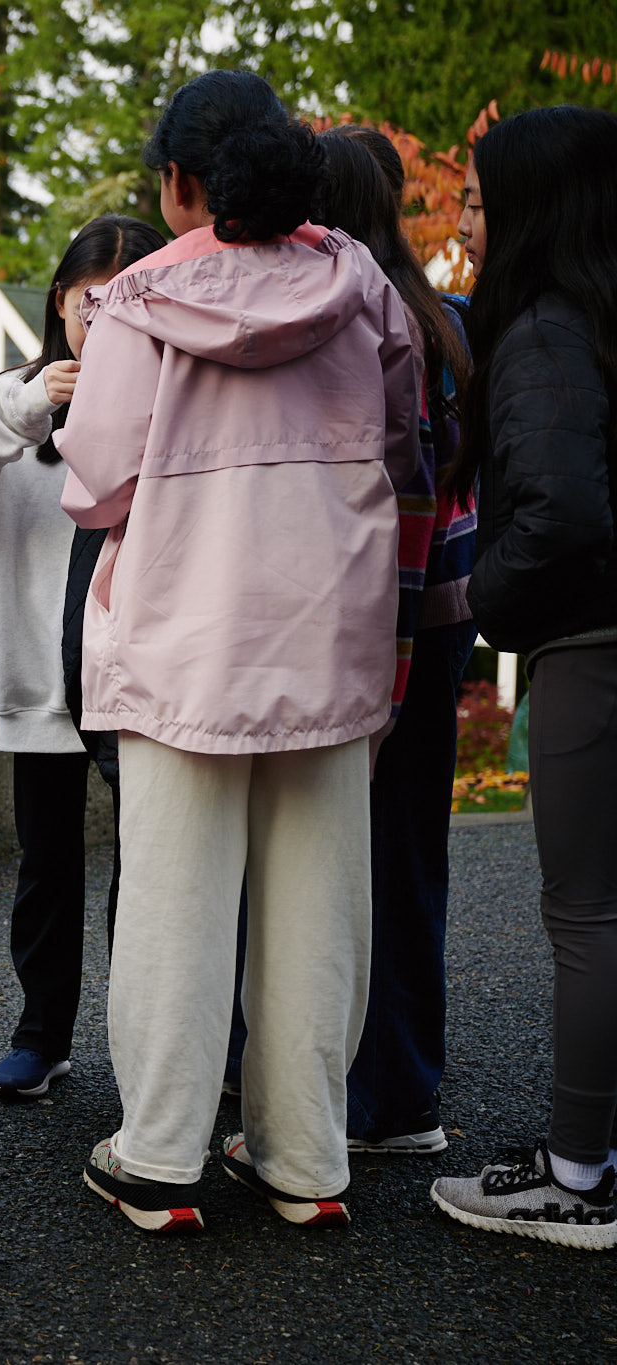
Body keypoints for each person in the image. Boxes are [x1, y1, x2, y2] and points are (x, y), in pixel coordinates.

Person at [57, 70, 417, 1234]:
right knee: (321, 903)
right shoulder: (356, 281)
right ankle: (304, 1159)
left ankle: (157, 1158)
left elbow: (95, 479)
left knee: (175, 897)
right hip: (328, 624)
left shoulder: (137, 302)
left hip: (182, 635)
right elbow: (404, 434)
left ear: (179, 180)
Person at [428, 105, 617, 1250]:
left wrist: (478, 598)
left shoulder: (542, 333)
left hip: (589, 647)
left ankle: (576, 1175)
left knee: (585, 912)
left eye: (480, 199)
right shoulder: (596, 320)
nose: (465, 220)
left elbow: (558, 512)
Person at [0, 214, 163, 1100]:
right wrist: (28, 405)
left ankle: (150, 1045)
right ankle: (41, 1032)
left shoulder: (175, 392)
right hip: (40, 687)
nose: (99, 318)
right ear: (58, 301)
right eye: (84, 299)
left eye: (121, 298)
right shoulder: (12, 405)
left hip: (139, 684)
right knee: (47, 869)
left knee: (151, 872)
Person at [310, 125, 478, 1157]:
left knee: (339, 859)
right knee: (412, 852)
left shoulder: (347, 323)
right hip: (445, 615)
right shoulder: (446, 319)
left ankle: (363, 1091)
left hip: (377, 622)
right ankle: (407, 1080)